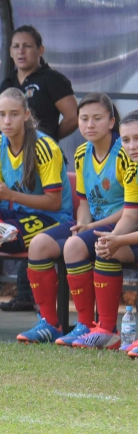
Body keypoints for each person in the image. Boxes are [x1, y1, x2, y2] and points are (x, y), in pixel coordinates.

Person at [0, 88, 73, 341]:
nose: (7, 121)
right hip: (12, 217)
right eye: (2, 115)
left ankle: (50, 324)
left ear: (26, 115)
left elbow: (54, 203)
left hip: (51, 219)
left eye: (14, 114)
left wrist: (11, 195)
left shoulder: (44, 146)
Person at [19, 94, 128, 347]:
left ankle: (93, 326)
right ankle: (50, 323)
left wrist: (89, 229)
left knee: (75, 245)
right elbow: (85, 203)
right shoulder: (81, 153)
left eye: (97, 119)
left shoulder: (125, 150)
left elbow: (131, 210)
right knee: (38, 244)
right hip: (93, 223)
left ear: (112, 122)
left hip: (120, 224)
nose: (89, 124)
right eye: (84, 119)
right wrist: (82, 225)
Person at [0, 25, 78, 312]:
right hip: (19, 164)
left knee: (35, 220)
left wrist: (48, 138)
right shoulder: (8, 82)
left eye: (28, 45)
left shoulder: (52, 79)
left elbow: (74, 116)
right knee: (3, 218)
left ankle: (40, 305)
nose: (21, 51)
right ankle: (24, 297)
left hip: (44, 163)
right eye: (16, 46)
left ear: (40, 50)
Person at [91, 110, 138, 356]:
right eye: (127, 140)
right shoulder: (132, 169)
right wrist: (112, 241)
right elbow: (130, 216)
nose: (132, 146)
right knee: (108, 251)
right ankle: (106, 330)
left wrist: (119, 239)